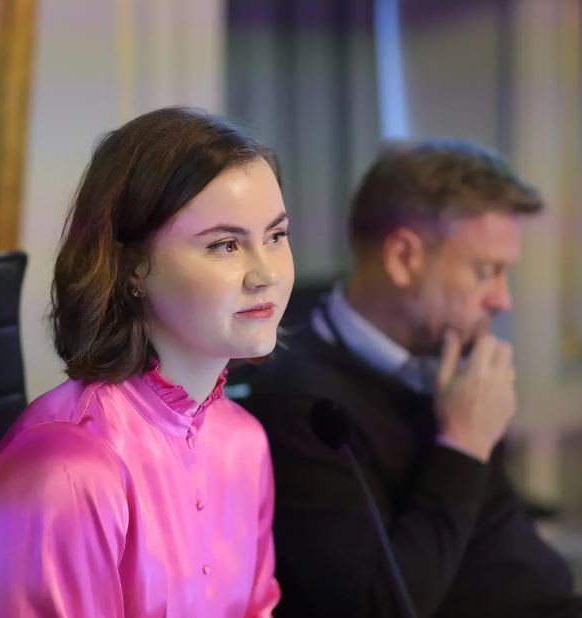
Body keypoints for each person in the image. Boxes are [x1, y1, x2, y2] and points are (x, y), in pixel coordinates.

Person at [0, 107, 294, 617]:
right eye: (225, 245)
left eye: (276, 236)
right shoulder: (66, 469)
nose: (266, 275)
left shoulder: (243, 442)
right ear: (133, 267)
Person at [235, 139, 582, 617]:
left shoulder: (453, 356)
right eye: (486, 271)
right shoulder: (303, 404)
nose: (502, 300)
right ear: (403, 257)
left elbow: (494, 537)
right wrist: (462, 446)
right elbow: (376, 607)